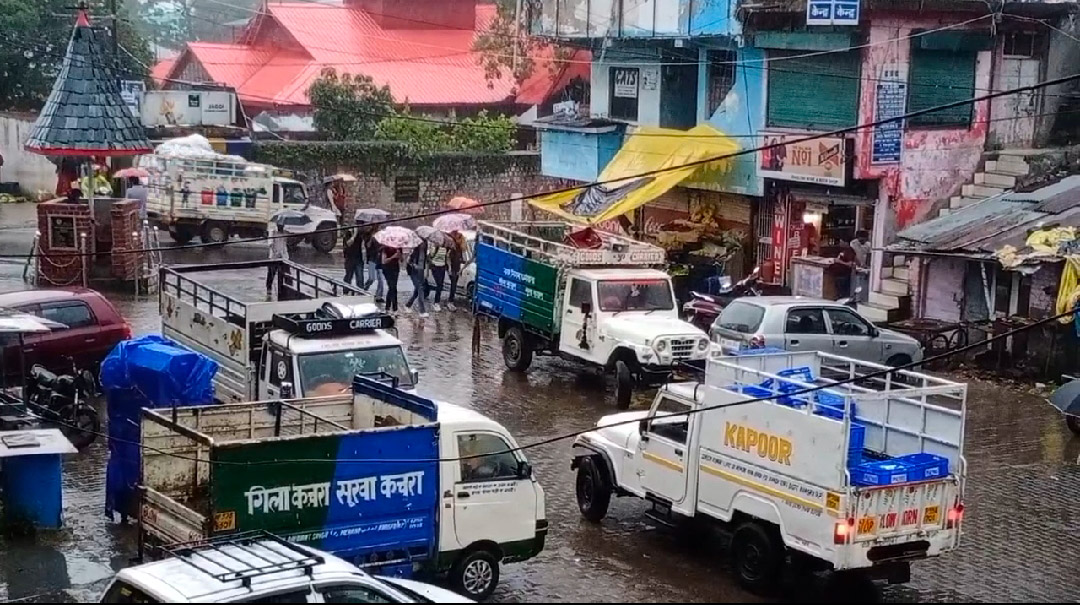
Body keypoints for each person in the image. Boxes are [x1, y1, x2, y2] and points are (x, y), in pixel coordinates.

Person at [405, 239, 429, 317]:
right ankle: (422, 311)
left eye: (424, 243)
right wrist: (413, 265)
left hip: (421, 272)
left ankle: (408, 305)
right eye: (422, 243)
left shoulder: (424, 253)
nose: (423, 245)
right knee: (420, 288)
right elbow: (408, 261)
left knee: (417, 290)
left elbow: (425, 263)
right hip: (413, 272)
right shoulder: (414, 251)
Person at [266, 219, 288, 295]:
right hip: (274, 257)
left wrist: (284, 255)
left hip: (283, 257)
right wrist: (275, 252)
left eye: (282, 226)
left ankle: (283, 289)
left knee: (284, 274)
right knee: (271, 273)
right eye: (280, 225)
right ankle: (269, 288)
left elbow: (284, 244)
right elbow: (270, 243)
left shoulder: (285, 233)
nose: (281, 227)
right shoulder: (272, 232)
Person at [364, 230, 385, 302]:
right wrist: (371, 238)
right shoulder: (369, 236)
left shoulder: (382, 238)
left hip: (379, 261)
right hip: (372, 259)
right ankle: (363, 290)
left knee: (381, 280)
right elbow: (367, 246)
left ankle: (379, 296)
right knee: (371, 278)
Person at [446, 231, 464, 311]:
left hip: (457, 268)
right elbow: (448, 258)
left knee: (454, 285)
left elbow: (461, 259)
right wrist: (449, 268)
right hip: (452, 268)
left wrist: (460, 269)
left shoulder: (460, 248)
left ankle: (451, 300)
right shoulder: (453, 247)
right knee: (453, 284)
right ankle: (450, 301)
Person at [429, 240, 449, 312]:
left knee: (440, 285)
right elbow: (430, 257)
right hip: (435, 267)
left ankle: (437, 301)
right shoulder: (434, 248)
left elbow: (446, 259)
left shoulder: (445, 249)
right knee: (439, 284)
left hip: (442, 268)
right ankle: (436, 302)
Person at [381, 246, 402, 312]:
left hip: (395, 269)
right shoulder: (385, 248)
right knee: (392, 287)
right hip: (387, 269)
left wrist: (399, 255)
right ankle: (394, 308)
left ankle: (388, 307)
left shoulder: (399, 248)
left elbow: (402, 260)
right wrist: (393, 256)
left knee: (392, 288)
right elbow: (384, 261)